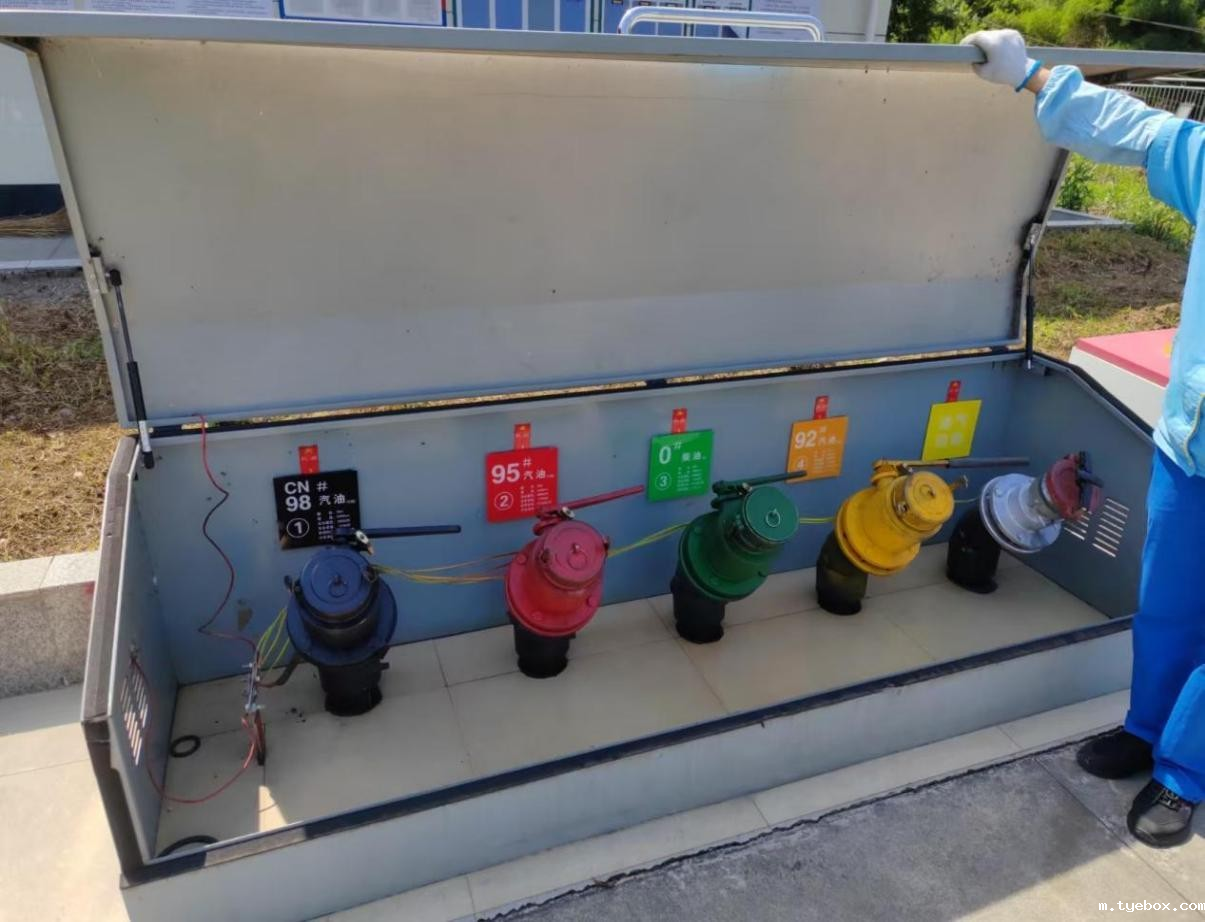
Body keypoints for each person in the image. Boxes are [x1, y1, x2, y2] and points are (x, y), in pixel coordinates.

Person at [961, 28, 1202, 849]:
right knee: (1166, 609)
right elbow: (1138, 130)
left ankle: (1183, 773)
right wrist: (1030, 76)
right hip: (1190, 446)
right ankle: (1145, 729)